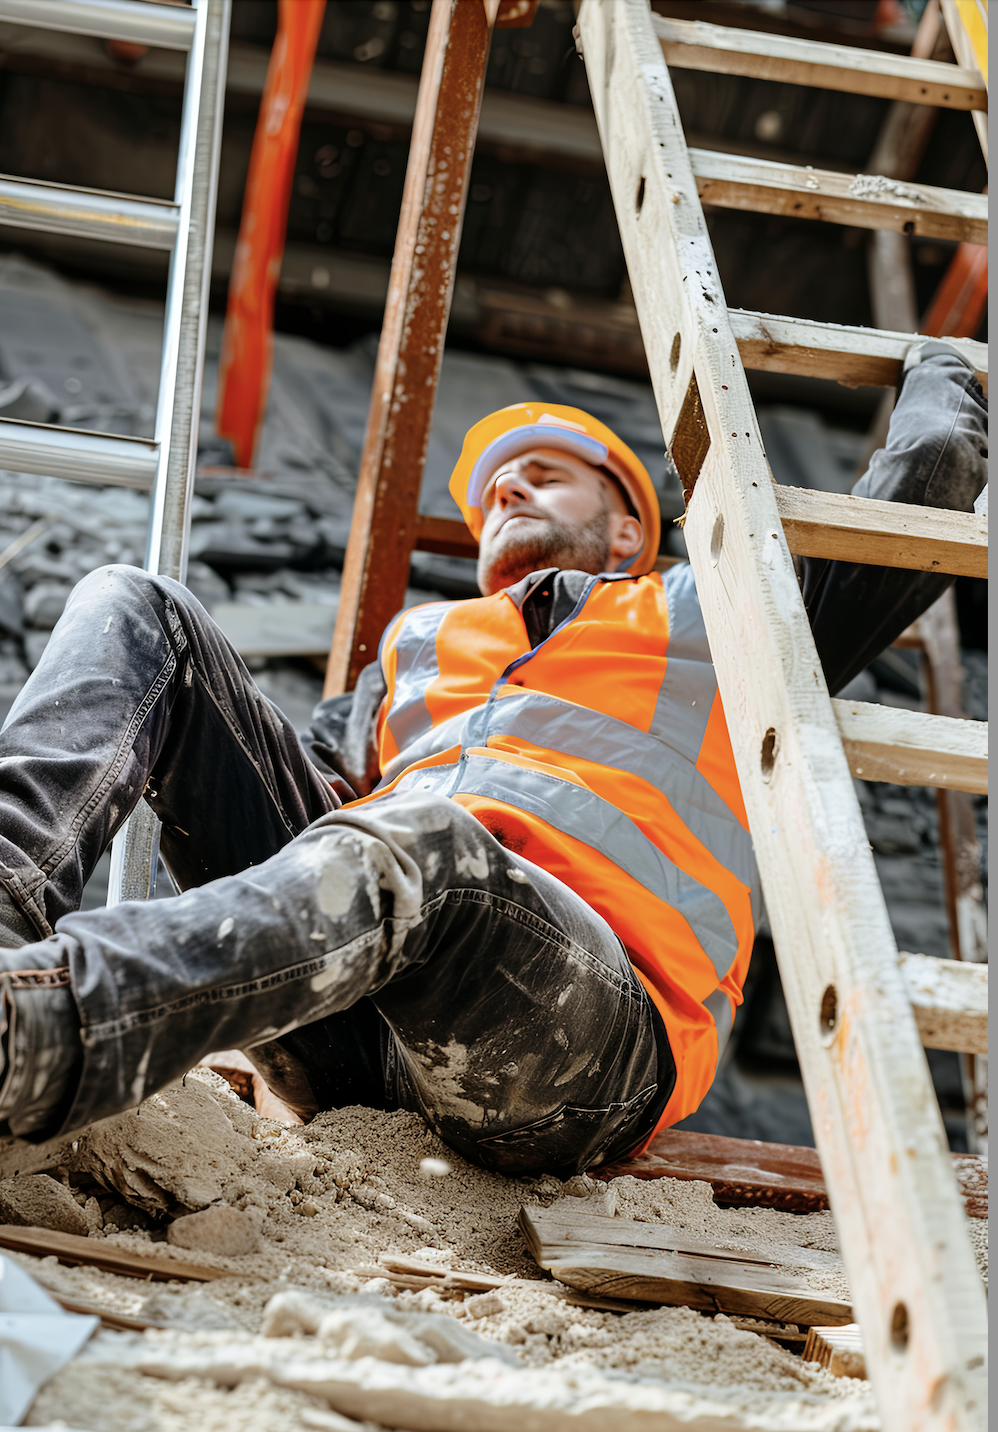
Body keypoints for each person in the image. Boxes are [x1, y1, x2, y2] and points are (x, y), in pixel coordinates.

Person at [0, 342, 986, 1173]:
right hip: (365, 1008)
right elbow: (282, 829)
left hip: (580, 1030)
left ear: (628, 531)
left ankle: (36, 1035)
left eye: (545, 474)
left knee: (427, 847)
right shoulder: (416, 646)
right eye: (490, 491)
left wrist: (938, 358)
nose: (506, 486)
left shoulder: (713, 616)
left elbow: (933, 468)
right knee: (139, 607)